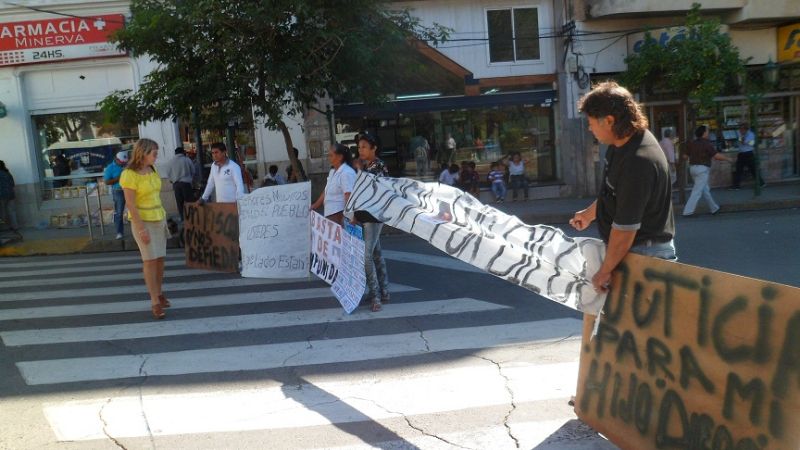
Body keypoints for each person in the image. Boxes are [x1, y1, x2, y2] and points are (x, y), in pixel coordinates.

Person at [570, 81, 675, 294]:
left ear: (609, 120)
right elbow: (615, 193)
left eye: (591, 123)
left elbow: (625, 228)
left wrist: (605, 271)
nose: (590, 129)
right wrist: (590, 214)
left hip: (645, 257)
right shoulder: (622, 145)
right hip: (636, 252)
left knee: (644, 327)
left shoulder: (638, 160)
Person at [119, 138, 170, 320]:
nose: (156, 157)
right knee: (149, 260)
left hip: (158, 218)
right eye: (154, 154)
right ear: (144, 153)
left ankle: (159, 293)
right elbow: (131, 204)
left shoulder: (151, 169)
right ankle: (154, 301)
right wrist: (141, 229)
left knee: (160, 259)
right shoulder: (129, 174)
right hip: (143, 222)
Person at [353, 134, 390, 312]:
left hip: (374, 216)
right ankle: (384, 290)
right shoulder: (364, 166)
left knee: (366, 257)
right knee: (376, 253)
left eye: (364, 147)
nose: (361, 150)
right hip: (364, 215)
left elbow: (374, 188)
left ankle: (375, 295)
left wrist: (360, 171)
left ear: (374, 148)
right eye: (359, 147)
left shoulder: (378, 166)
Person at [682, 126, 732, 217]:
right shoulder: (707, 144)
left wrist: (693, 157)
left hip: (693, 168)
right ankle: (688, 211)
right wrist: (728, 159)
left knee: (704, 190)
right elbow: (716, 156)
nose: (708, 133)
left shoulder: (692, 143)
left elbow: (685, 156)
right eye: (707, 131)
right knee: (697, 191)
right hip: (702, 169)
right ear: (704, 133)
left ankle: (714, 208)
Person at [310, 143, 356, 226]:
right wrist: (315, 205)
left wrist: (349, 216)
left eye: (331, 155)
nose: (328, 158)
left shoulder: (346, 172)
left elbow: (348, 195)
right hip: (330, 212)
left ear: (340, 157)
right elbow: (326, 191)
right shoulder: (332, 172)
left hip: (339, 213)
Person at [164, 147, 196, 221]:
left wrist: (172, 180)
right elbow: (193, 171)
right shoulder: (187, 160)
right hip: (186, 184)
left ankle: (182, 218)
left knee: (179, 203)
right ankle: (192, 218)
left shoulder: (170, 162)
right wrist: (190, 178)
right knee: (189, 202)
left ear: (175, 153)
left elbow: (168, 174)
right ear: (183, 153)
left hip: (176, 185)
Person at [731, 122, 764, 190]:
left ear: (745, 129)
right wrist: (741, 138)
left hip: (748, 153)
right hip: (741, 154)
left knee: (753, 170)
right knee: (738, 170)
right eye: (740, 129)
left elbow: (746, 142)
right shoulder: (741, 134)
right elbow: (740, 141)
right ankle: (736, 186)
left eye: (741, 129)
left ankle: (761, 183)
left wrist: (742, 137)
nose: (740, 130)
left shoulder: (750, 134)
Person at [103, 151, 128, 239]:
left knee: (134, 210)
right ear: (116, 159)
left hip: (129, 189)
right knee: (119, 212)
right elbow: (107, 181)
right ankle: (119, 232)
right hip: (118, 191)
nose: (123, 163)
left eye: (125, 162)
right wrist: (119, 178)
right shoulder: (110, 168)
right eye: (122, 162)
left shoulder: (127, 165)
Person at [0, 160, 19, 233]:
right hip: (11, 194)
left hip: (2, 195)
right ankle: (15, 226)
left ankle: (3, 228)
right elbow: (13, 184)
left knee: (2, 212)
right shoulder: (7, 173)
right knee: (12, 211)